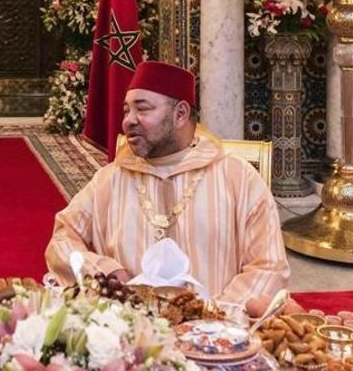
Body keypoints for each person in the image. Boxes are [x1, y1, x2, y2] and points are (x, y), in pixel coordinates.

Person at [45, 61, 290, 316]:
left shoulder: (237, 178)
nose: (128, 121)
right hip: (132, 339)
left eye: (142, 109)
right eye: (126, 110)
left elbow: (270, 267)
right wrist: (104, 271)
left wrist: (214, 316)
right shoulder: (110, 180)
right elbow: (62, 241)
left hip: (218, 341)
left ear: (181, 114)